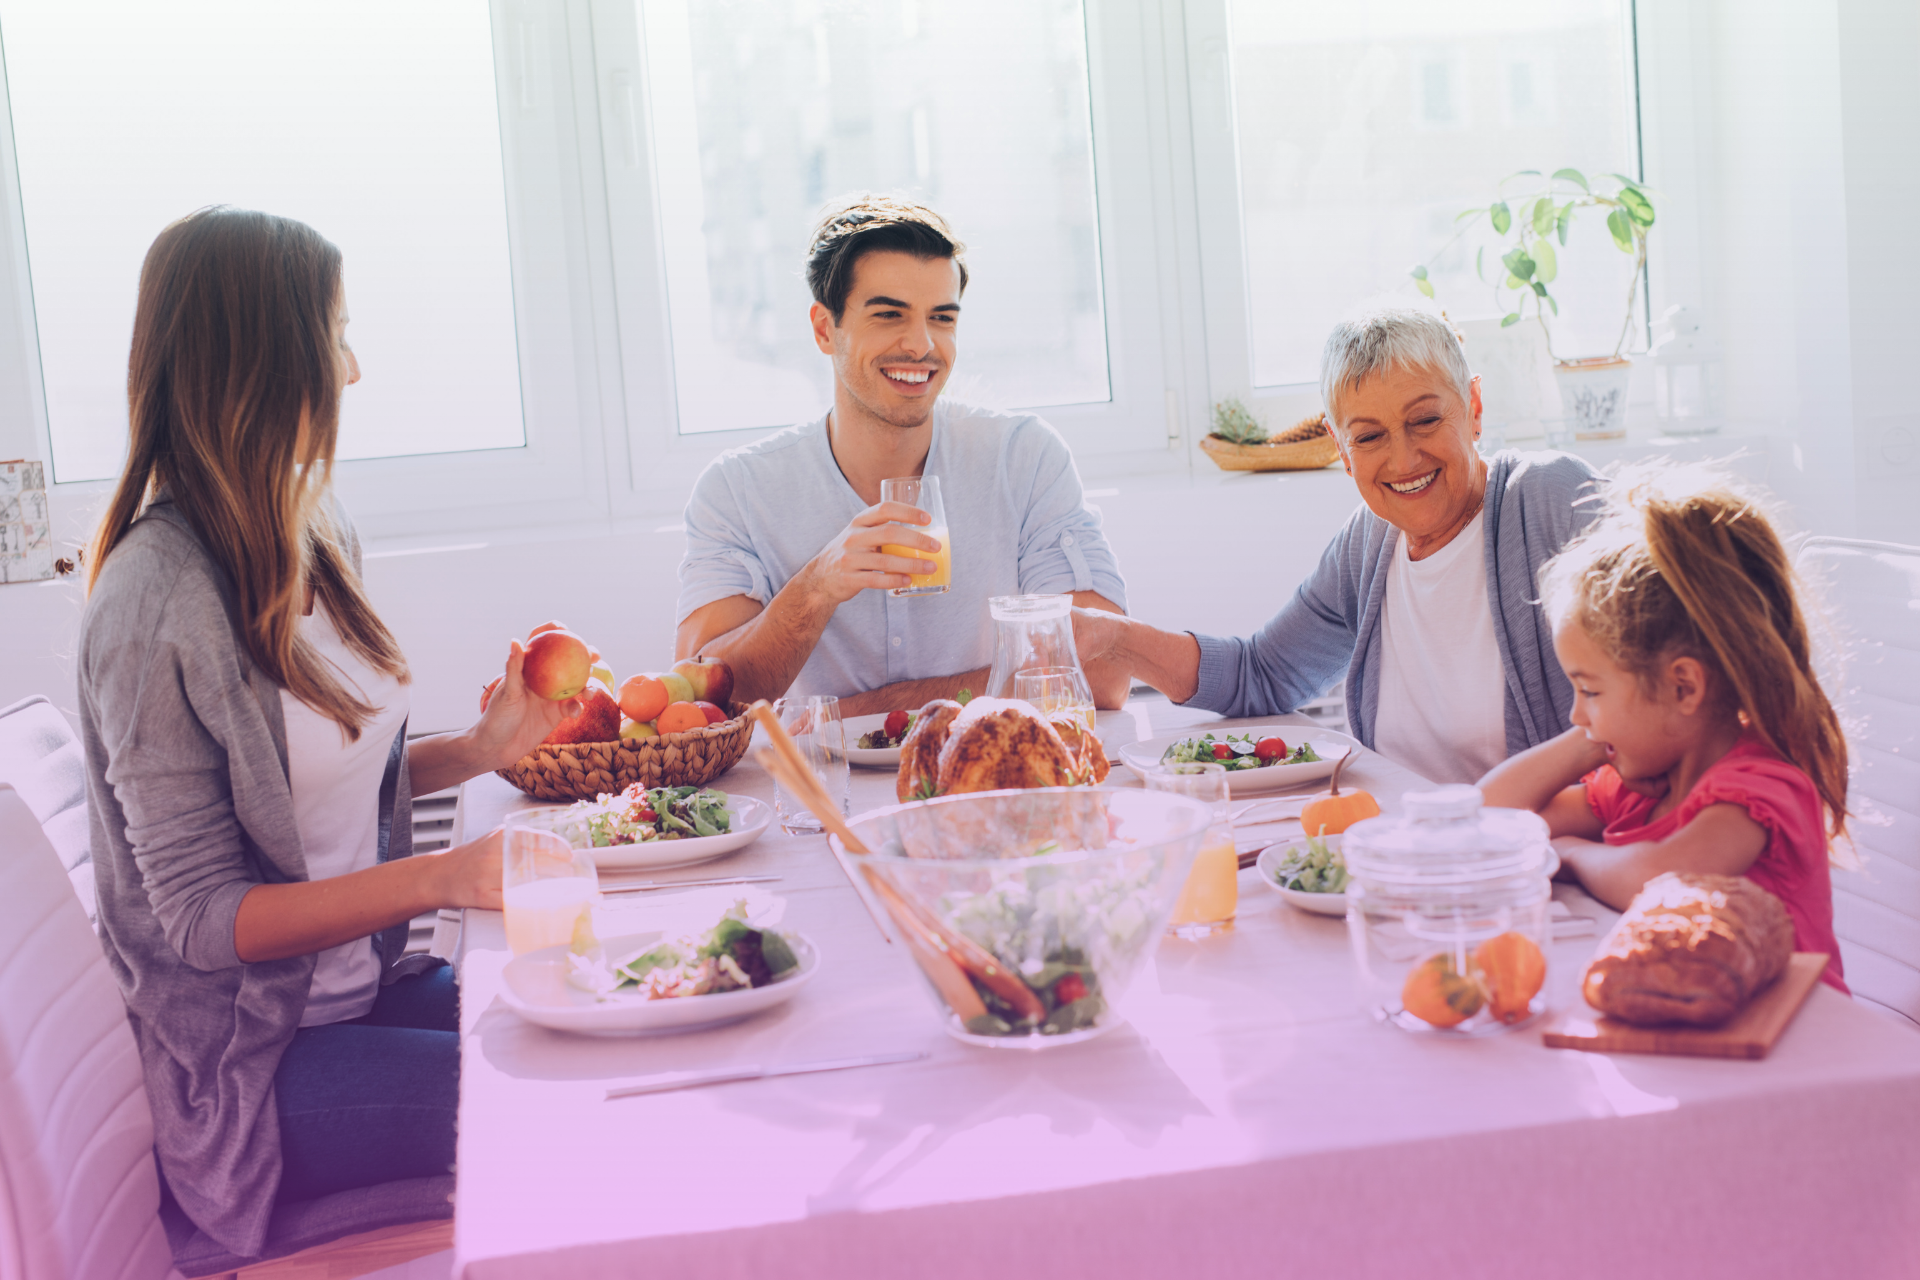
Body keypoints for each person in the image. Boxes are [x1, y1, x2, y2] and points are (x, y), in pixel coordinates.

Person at [77, 208, 578, 1258]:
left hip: (367, 991)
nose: (352, 370)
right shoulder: (153, 592)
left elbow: (320, 792)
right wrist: (447, 876)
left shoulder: (314, 524)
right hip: (257, 1067)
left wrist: (482, 748)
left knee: (612, 1005)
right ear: (261, 361)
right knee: (580, 1096)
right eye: (332, 335)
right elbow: (207, 920)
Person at [1071, 308, 1597, 784]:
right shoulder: (1368, 544)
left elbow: (1652, 693)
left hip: (1536, 850)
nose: (1404, 458)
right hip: (1390, 845)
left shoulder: (1552, 499)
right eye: (1369, 437)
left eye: (1425, 419)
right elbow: (1263, 674)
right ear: (1342, 449)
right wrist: (1111, 637)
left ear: (1474, 407)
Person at [674, 193, 1129, 716]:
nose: (921, 344)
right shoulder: (735, 491)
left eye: (941, 317)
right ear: (825, 329)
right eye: (889, 314)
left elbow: (1106, 671)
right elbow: (698, 700)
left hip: (987, 776)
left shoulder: (1023, 460)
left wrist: (877, 708)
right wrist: (817, 587)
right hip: (818, 792)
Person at [1478, 465, 1851, 991]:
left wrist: (1576, 853)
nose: (1574, 714)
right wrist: (1589, 739)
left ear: (1683, 688)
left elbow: (1664, 880)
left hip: (1803, 1040)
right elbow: (1488, 817)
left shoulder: (1760, 788)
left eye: (1590, 691)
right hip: (1694, 1017)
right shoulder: (1639, 785)